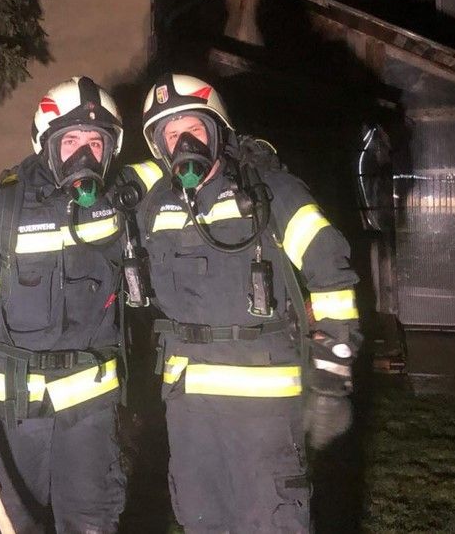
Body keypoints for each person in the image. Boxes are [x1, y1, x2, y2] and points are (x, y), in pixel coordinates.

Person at [123, 73, 361, 533]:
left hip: (265, 407)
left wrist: (332, 376)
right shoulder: (153, 207)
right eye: (170, 134)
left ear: (216, 131)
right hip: (189, 405)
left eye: (192, 128)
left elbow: (331, 270)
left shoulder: (271, 193)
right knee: (199, 516)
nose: (183, 142)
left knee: (271, 520)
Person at [0, 76, 127, 533]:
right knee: (11, 519)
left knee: (92, 520)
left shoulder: (121, 202)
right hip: (15, 404)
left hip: (90, 404)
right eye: (71, 139)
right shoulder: (2, 211)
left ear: (111, 149)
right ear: (46, 143)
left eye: (95, 142)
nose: (83, 154)